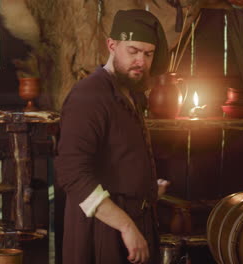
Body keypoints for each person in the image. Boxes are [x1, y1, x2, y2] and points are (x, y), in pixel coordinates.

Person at [55, 9, 171, 264]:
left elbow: (119, 159)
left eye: (148, 54)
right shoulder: (89, 95)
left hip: (136, 224)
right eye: (133, 51)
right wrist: (126, 227)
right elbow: (71, 174)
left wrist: (148, 187)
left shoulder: (132, 94)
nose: (141, 61)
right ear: (112, 45)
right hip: (101, 234)